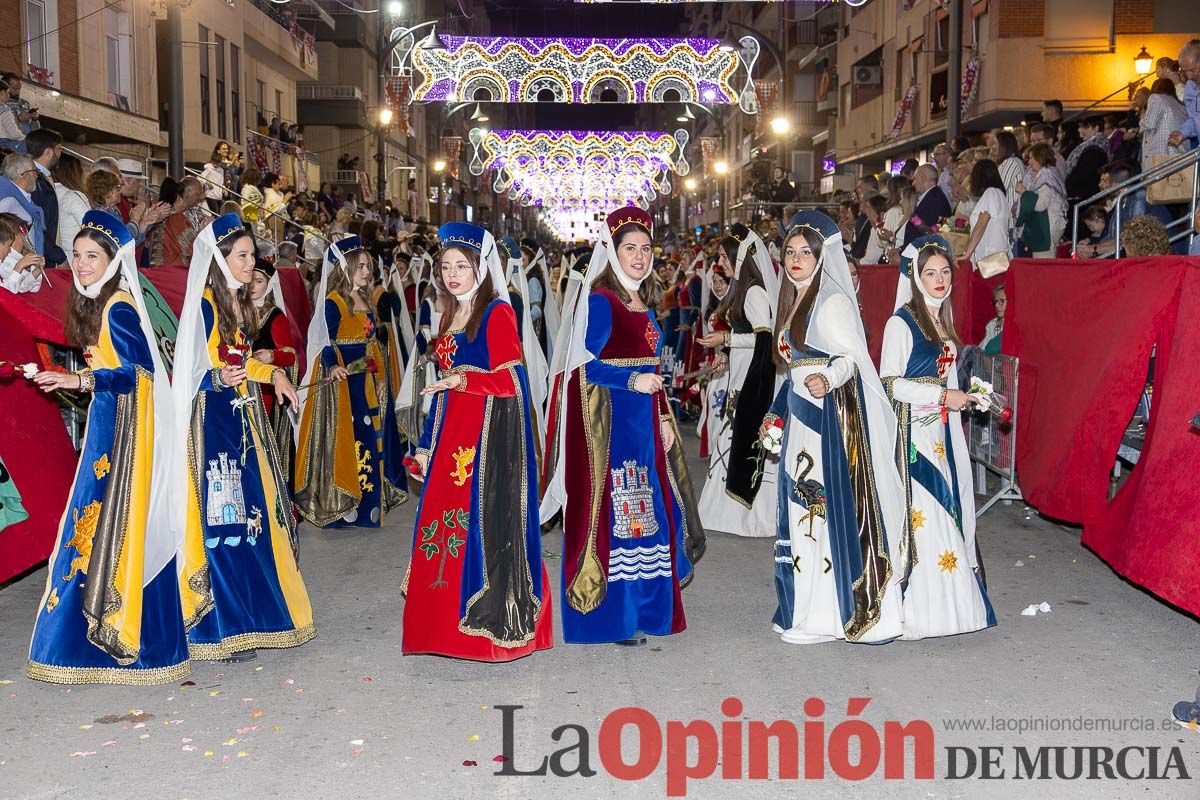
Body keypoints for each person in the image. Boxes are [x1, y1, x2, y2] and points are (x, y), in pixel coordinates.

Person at [26, 209, 190, 683]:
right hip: (109, 424)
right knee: (96, 528)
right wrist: (64, 377)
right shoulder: (96, 302)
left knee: (109, 525)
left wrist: (78, 377)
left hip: (122, 432)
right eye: (75, 255)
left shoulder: (117, 306)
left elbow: (137, 373)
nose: (79, 264)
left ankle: (119, 638)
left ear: (113, 260)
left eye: (91, 256)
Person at [542, 207, 705, 646]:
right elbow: (584, 368)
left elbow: (651, 370)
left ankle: (645, 612)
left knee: (644, 520)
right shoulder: (602, 301)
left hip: (644, 426)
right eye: (629, 248)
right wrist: (632, 379)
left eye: (645, 249)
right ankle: (613, 618)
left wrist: (664, 419)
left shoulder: (640, 301)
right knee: (619, 522)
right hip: (611, 431)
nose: (639, 256)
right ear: (612, 253)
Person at [401, 222, 553, 661]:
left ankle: (481, 632)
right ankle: (440, 631)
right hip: (451, 433)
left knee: (477, 531)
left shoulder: (496, 313)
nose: (452, 274)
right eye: (445, 266)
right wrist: (426, 444)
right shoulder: (449, 314)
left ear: (480, 268)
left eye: (461, 266)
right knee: (444, 527)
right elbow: (442, 387)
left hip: (485, 443)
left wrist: (462, 378)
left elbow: (511, 380)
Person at [172, 212, 314, 661]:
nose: (252, 263)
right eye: (244, 255)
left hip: (238, 422)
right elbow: (196, 371)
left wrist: (274, 375)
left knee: (247, 521)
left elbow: (242, 361)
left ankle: (247, 616)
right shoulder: (207, 306)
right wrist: (220, 376)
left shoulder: (235, 303)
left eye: (253, 255)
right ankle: (219, 627)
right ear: (220, 258)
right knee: (222, 522)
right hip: (213, 426)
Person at [764, 210, 906, 644]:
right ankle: (801, 605)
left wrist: (830, 377)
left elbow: (853, 361)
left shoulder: (833, 303)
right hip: (798, 424)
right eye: (790, 252)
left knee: (819, 513)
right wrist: (776, 413)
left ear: (822, 256)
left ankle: (826, 613)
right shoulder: (794, 302)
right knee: (798, 511)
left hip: (827, 425)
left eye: (806, 252)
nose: (796, 259)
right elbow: (790, 371)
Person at [880, 236, 996, 640]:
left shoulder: (942, 322)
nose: (940, 279)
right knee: (923, 518)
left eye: (945, 271)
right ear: (916, 276)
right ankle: (918, 609)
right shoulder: (901, 322)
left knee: (947, 511)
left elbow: (947, 381)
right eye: (930, 272)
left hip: (941, 435)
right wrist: (941, 396)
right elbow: (890, 384)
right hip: (911, 434)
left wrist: (968, 397)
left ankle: (954, 607)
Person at [294, 236, 407, 529]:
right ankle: (344, 504)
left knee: (369, 439)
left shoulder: (366, 299)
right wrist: (333, 366)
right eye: (359, 267)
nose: (366, 272)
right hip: (343, 382)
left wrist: (380, 376)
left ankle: (368, 505)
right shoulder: (334, 302)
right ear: (344, 269)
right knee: (347, 441)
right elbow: (324, 342)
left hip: (365, 381)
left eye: (367, 266)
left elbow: (370, 344)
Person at [695, 223, 780, 538]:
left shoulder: (756, 292)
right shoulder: (743, 290)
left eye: (724, 257)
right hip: (739, 370)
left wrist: (726, 337)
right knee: (730, 438)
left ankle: (745, 514)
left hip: (750, 375)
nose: (721, 263)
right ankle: (723, 510)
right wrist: (726, 350)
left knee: (738, 437)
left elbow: (763, 339)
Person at [249, 257, 300, 481]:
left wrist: (272, 355)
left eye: (258, 281)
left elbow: (290, 355)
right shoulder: (237, 310)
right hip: (243, 384)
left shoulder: (274, 315)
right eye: (250, 280)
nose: (252, 286)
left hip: (267, 391)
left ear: (268, 284)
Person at [1015, 143, 1068, 258]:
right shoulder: (1040, 176)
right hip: (1042, 225)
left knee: (1043, 264)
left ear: (1040, 158)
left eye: (1032, 158)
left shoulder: (1047, 177)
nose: (1029, 162)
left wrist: (1024, 192)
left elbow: (1040, 205)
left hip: (1047, 228)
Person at [25, 129, 65, 266]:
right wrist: (58, 256)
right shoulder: (35, 181)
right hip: (39, 258)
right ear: (48, 152)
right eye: (59, 149)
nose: (60, 154)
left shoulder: (40, 178)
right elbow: (37, 224)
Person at [962, 159, 1012, 269]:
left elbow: (981, 224)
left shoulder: (991, 193)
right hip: (996, 258)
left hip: (989, 259)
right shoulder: (999, 195)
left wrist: (966, 254)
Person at [0, 152, 45, 256]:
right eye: (35, 171)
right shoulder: (8, 199)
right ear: (24, 175)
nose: (37, 175)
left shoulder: (22, 197)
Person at [1141, 78, 1189, 173]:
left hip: (1160, 156)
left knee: (1156, 187)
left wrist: (1142, 119)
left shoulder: (1156, 97)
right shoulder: (1180, 105)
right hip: (1179, 156)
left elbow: (1149, 124)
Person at [1065, 117, 1110, 203]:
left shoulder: (1094, 150)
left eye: (1084, 127)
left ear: (1096, 128)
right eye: (1080, 127)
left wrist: (1068, 184)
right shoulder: (1093, 147)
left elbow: (1082, 173)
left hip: (1083, 195)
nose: (1079, 130)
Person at [904, 164, 952, 244]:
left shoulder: (935, 200)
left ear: (923, 179)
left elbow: (928, 233)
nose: (913, 183)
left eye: (915, 179)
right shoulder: (933, 196)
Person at [1166, 40, 1199, 150]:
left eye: (1193, 70)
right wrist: (1182, 132)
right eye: (1185, 71)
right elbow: (1195, 118)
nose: (1189, 76)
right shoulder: (1190, 87)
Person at [0, 212, 44, 292]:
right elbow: (5, 294)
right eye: (8, 245)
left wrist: (37, 270)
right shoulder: (5, 262)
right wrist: (19, 266)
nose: (9, 250)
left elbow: (24, 287)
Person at [53, 153, 89, 249]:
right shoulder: (72, 196)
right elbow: (90, 227)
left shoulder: (49, 192)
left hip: (59, 253)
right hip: (75, 254)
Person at [201, 142, 231, 213]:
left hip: (220, 195)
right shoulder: (209, 167)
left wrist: (224, 188)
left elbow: (221, 182)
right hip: (211, 194)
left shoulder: (221, 170)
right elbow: (200, 177)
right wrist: (207, 182)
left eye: (227, 149)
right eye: (223, 149)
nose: (226, 151)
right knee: (215, 213)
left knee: (221, 213)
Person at [0, 80, 26, 151]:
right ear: (2, 93)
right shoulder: (4, 110)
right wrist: (23, 137)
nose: (9, 96)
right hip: (3, 144)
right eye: (8, 93)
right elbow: (13, 133)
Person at [980, 285, 1006, 356]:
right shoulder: (992, 325)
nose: (996, 305)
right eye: (996, 301)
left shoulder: (1020, 325)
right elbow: (982, 351)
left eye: (1002, 301)